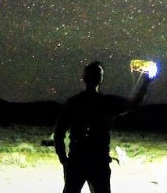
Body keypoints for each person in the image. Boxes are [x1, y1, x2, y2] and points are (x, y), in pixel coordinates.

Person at [54, 61, 151, 193]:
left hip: (77, 160)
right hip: (98, 162)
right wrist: (146, 81)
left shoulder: (73, 102)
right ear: (101, 79)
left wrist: (63, 158)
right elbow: (134, 104)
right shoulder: (107, 103)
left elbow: (59, 132)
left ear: (84, 78)